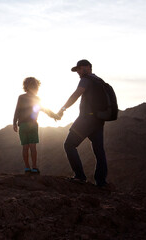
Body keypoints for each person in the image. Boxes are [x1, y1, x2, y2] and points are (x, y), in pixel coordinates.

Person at [57, 59, 108, 187]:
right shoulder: (99, 81)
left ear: (89, 67)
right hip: (99, 120)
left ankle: (80, 176)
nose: (79, 72)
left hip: (86, 119)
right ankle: (101, 182)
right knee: (99, 151)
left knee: (69, 145)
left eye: (81, 68)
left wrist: (63, 109)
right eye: (77, 70)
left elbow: (76, 94)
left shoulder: (86, 79)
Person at [13, 77, 59, 174]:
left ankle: (27, 168)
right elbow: (45, 110)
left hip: (23, 125)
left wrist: (14, 123)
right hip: (32, 125)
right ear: (36, 87)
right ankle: (34, 167)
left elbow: (17, 110)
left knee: (25, 147)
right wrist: (55, 115)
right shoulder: (37, 99)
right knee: (33, 147)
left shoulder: (21, 97)